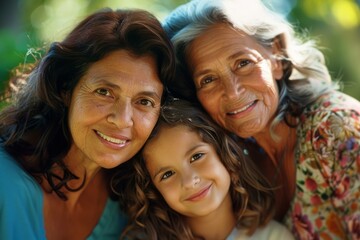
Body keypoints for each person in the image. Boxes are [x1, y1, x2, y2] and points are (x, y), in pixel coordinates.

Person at [162, 0, 360, 239]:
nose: (232, 91)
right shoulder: (231, 158)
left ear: (276, 56)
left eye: (243, 63)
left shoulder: (339, 128)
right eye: (207, 80)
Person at [0, 8, 175, 240]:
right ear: (65, 88)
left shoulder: (133, 202)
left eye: (144, 101)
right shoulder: (5, 185)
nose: (122, 119)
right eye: (104, 92)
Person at [113, 97, 294, 239]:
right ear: (153, 190)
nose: (190, 181)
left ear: (225, 154)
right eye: (167, 174)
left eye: (197, 156)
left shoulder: (274, 236)